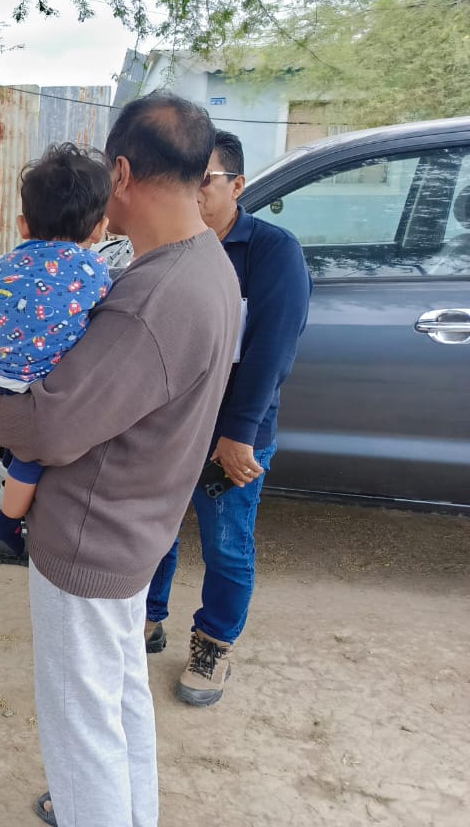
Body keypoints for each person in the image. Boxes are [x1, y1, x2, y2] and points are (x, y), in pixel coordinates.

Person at [0, 93, 242, 827]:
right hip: (136, 526)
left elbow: (46, 429)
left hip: (90, 538)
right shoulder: (206, 263)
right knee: (119, 699)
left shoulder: (153, 297)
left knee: (83, 728)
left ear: (121, 172)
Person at [145, 129, 312, 707]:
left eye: (205, 180)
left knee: (227, 545)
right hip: (169, 427)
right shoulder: (168, 247)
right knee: (155, 531)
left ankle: (213, 644)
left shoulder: (271, 251)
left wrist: (239, 434)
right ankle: (148, 618)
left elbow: (271, 351)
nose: (191, 193)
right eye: (182, 179)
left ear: (237, 186)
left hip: (229, 436)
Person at [0, 143, 111, 531]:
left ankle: (11, 508)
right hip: (54, 390)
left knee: (20, 449)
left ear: (23, 225)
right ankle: (8, 521)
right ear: (99, 228)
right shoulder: (96, 271)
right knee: (33, 457)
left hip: (0, 382)